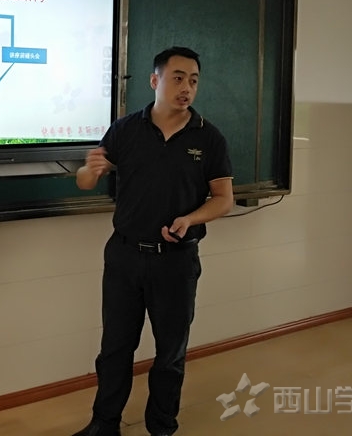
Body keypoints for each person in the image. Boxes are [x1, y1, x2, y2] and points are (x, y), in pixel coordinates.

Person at [71, 46, 234, 436]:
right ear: (155, 80)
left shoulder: (208, 137)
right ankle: (104, 423)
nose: (186, 88)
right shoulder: (126, 129)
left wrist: (190, 219)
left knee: (170, 353)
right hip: (125, 256)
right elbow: (85, 180)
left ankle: (161, 426)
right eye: (178, 78)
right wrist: (90, 170)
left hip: (176, 260)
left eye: (193, 80)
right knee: (115, 348)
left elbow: (223, 198)